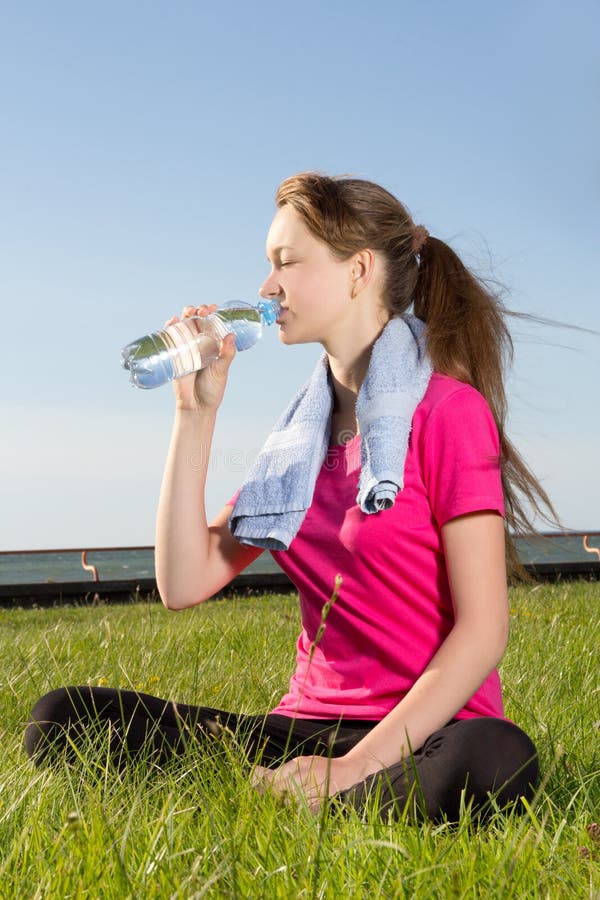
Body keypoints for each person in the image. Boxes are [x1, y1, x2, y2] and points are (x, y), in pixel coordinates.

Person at [25, 172, 555, 822]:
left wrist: (357, 764)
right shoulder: (299, 440)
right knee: (61, 718)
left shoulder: (447, 411)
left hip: (423, 732)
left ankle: (316, 793)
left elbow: (484, 631)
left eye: (285, 262)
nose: (265, 287)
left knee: (497, 758)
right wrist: (195, 415)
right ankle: (304, 793)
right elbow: (183, 582)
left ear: (358, 270)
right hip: (303, 729)